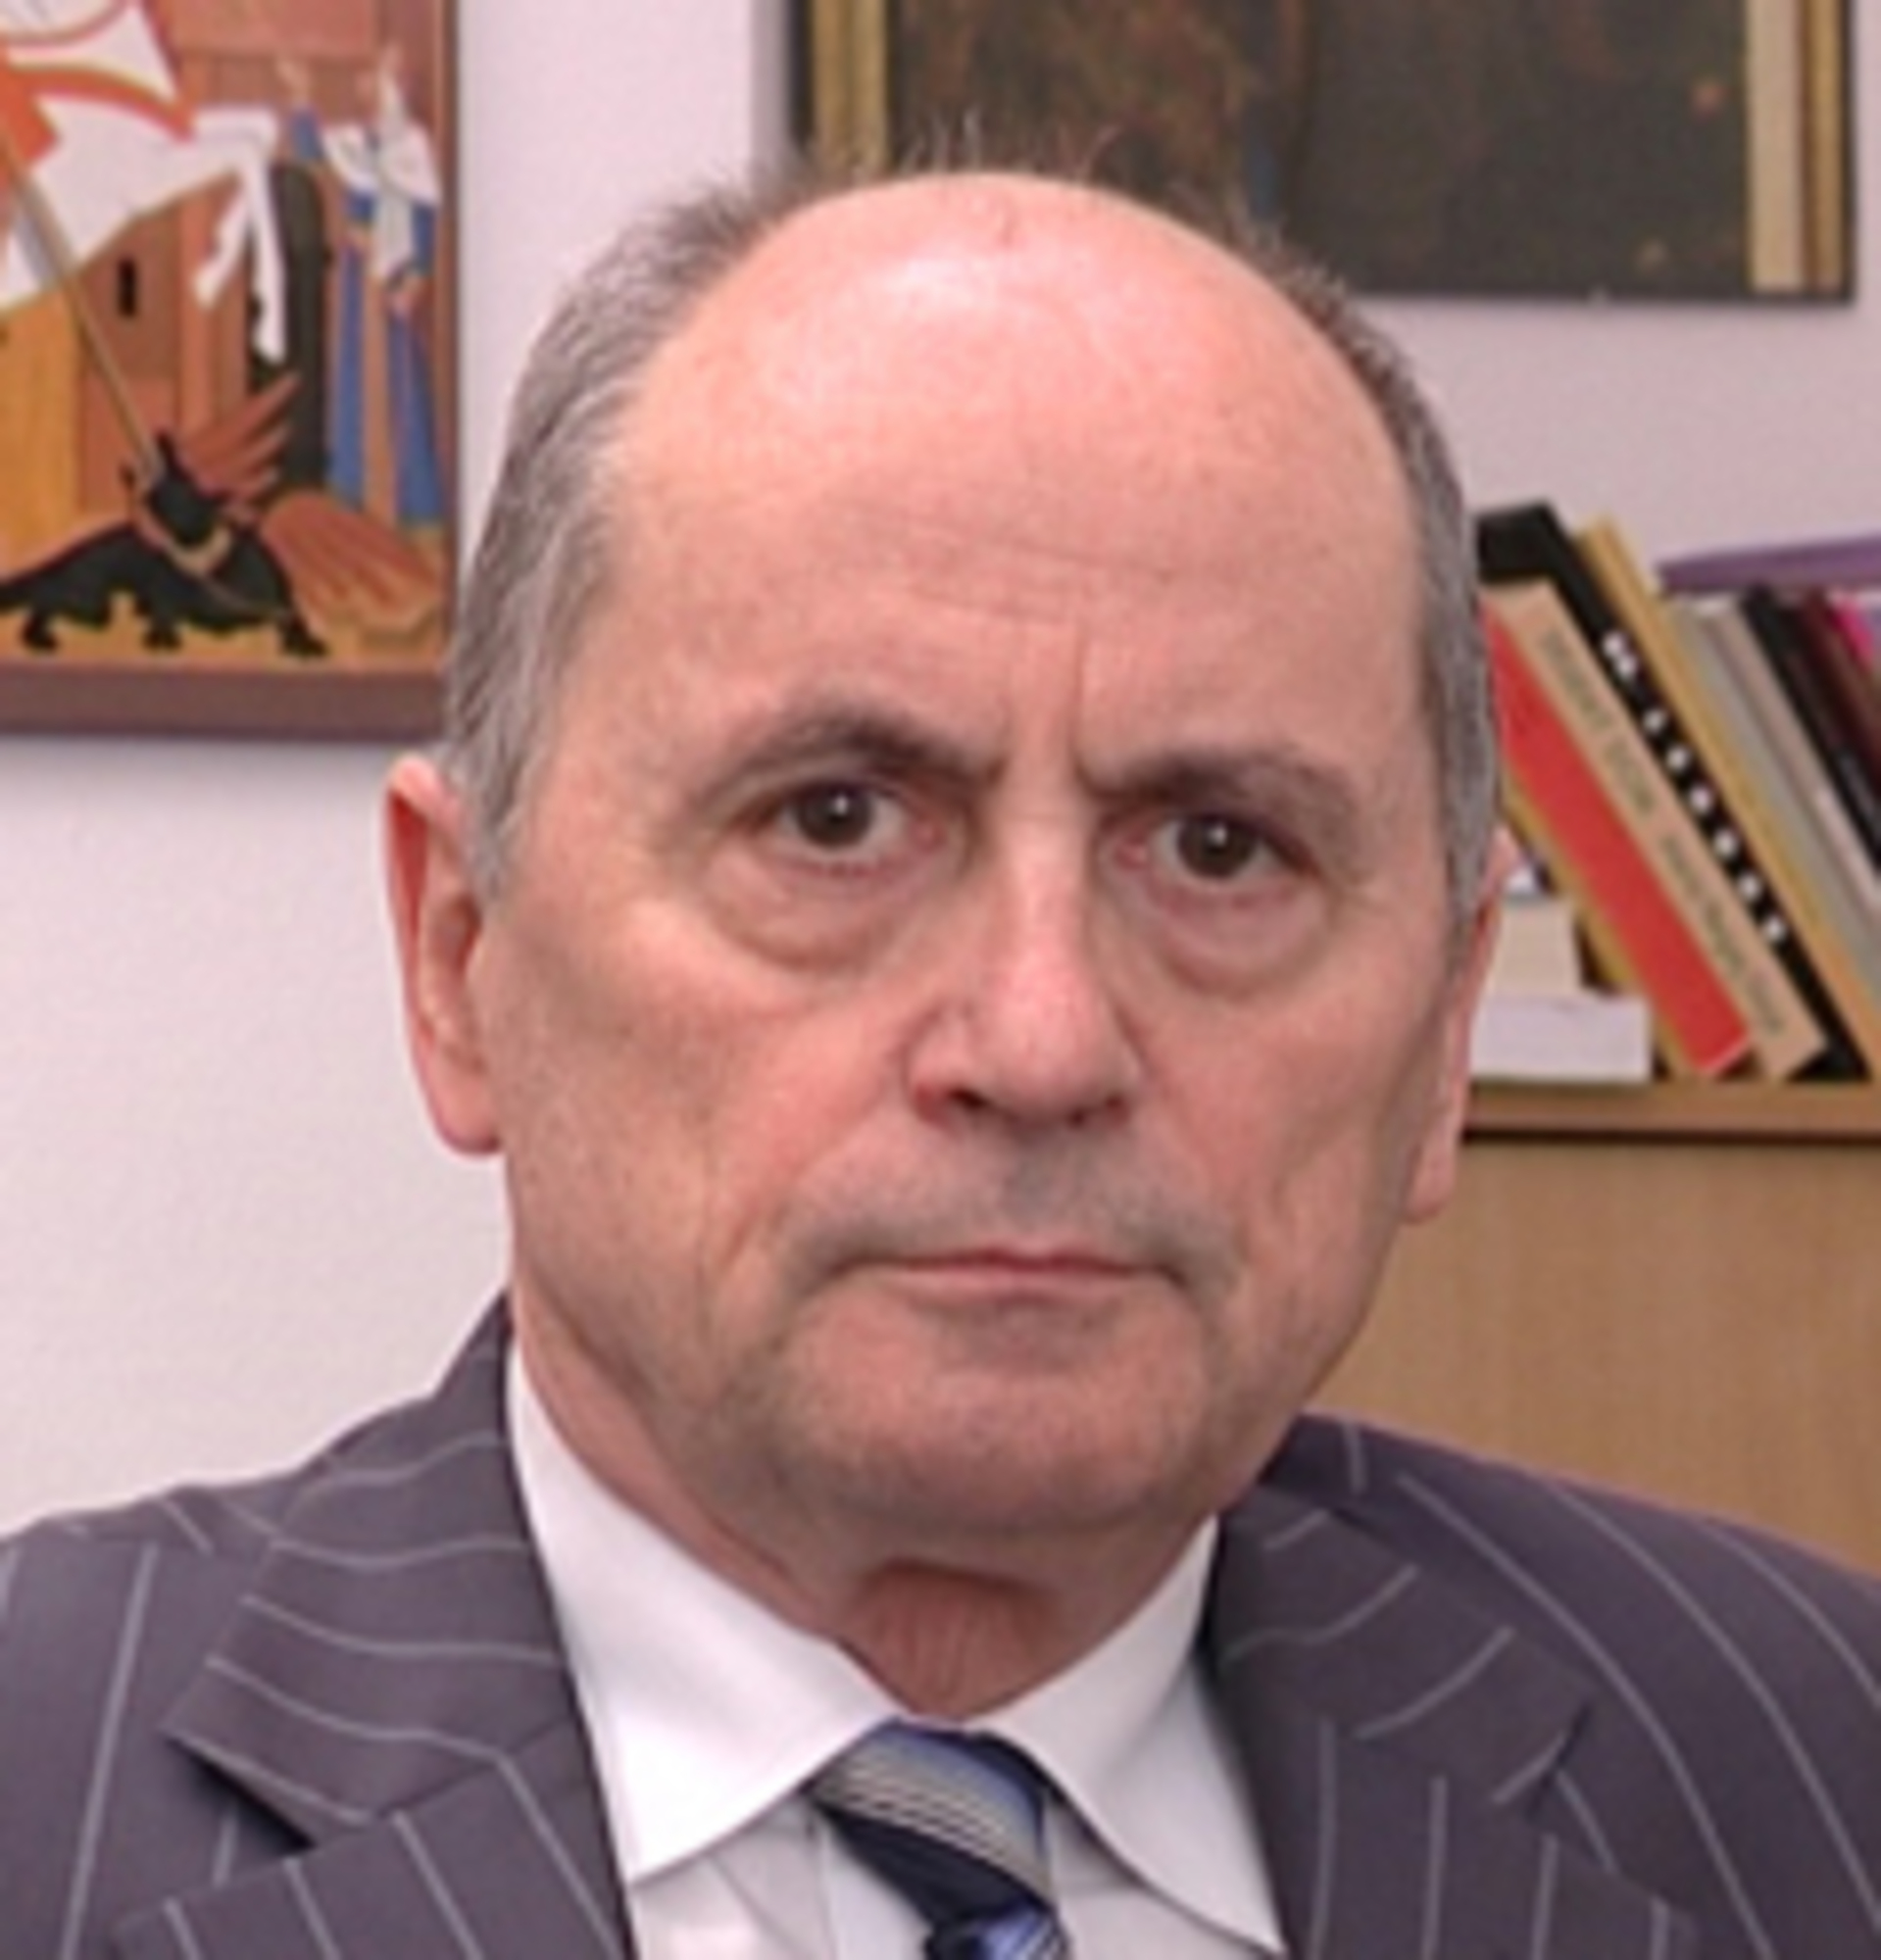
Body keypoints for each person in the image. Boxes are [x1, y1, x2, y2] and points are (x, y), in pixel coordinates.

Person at [2, 157, 1876, 1959]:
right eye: (833, 821)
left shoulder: (1815, 1780)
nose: (1042, 1041)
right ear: (459, 959)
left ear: (1447, 1029)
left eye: (1220, 849)